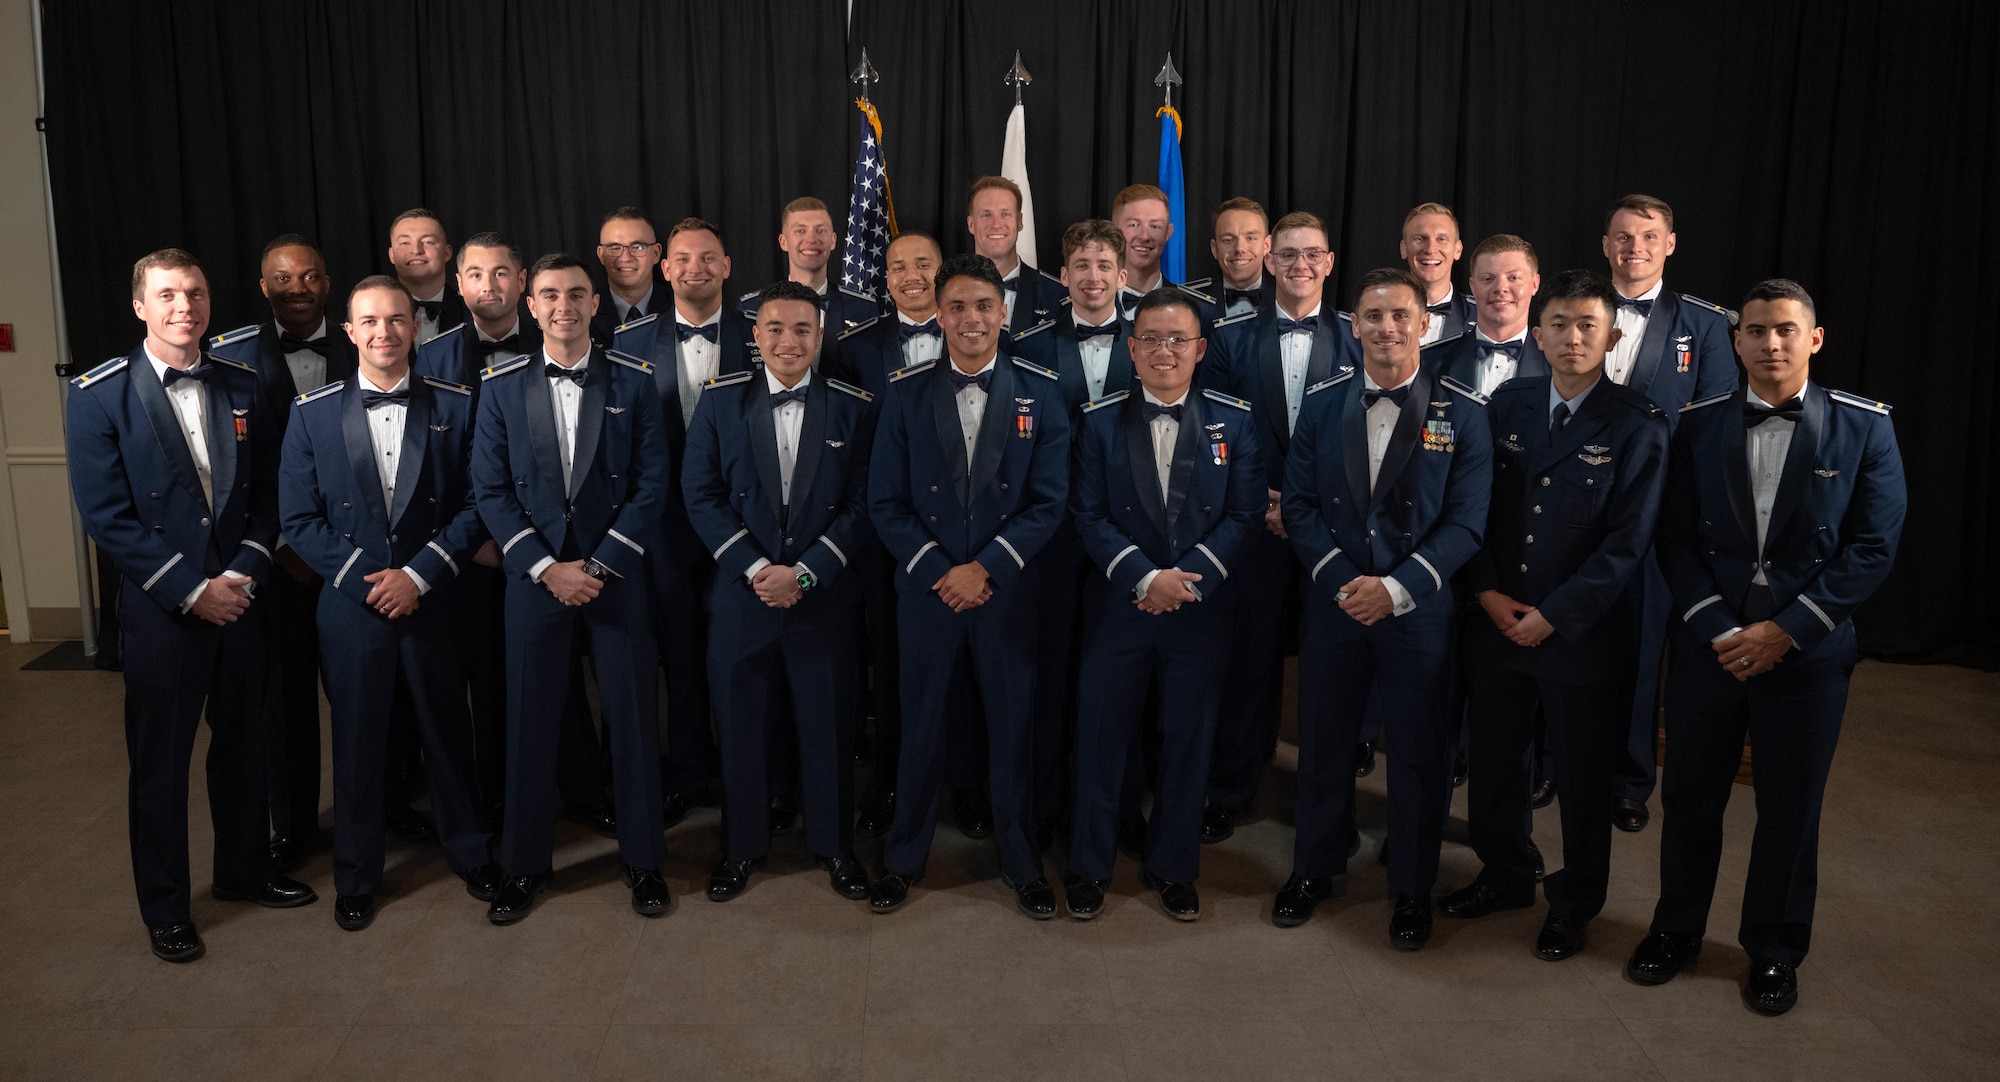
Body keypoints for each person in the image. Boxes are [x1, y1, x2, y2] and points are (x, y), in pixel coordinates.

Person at [1628, 278, 1904, 1015]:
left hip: (1805, 657)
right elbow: (1675, 540)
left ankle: (1776, 950)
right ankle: (1675, 930)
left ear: (1814, 339)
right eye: (1755, 331)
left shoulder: (1865, 427)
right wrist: (1720, 626)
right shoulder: (1696, 425)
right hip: (1709, 651)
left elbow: (1872, 548)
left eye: (1786, 330)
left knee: (1790, 808)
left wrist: (1787, 630)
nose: (1770, 343)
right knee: (1690, 798)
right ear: (1736, 341)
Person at [67, 248, 315, 962]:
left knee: (245, 748)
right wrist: (191, 589)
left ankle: (242, 871)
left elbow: (271, 494)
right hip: (164, 611)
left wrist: (241, 573)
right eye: (169, 295)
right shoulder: (97, 394)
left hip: (239, 599)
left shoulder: (240, 384)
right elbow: (107, 517)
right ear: (140, 306)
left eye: (197, 293)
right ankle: (167, 907)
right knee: (161, 766)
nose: (186, 307)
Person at [1439, 270, 1668, 961]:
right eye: (1560, 324)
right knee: (1497, 760)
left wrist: (1556, 616)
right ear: (1538, 334)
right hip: (1498, 619)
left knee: (1580, 772)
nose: (1572, 338)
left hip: (1582, 634)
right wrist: (1484, 591)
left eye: (1588, 326)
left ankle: (1575, 901)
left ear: (1612, 336)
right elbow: (1471, 506)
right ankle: (1506, 871)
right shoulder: (1506, 405)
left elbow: (1629, 543)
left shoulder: (1637, 424)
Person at [1273, 267, 1492, 947]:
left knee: (1420, 753)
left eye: (1400, 315)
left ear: (1425, 323)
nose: (1387, 328)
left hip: (1417, 609)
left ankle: (1412, 889)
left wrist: (1395, 588)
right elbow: (1300, 504)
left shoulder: (1467, 410)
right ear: (1354, 326)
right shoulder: (1323, 401)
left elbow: (1467, 524)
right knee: (1325, 742)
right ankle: (1313, 866)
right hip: (1336, 603)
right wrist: (1345, 579)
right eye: (1372, 317)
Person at [278, 275, 504, 930]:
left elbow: (475, 505)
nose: (384, 332)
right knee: (357, 742)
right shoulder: (310, 413)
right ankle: (356, 871)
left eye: (397, 320)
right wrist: (371, 579)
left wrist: (421, 575)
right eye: (370, 322)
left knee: (448, 733)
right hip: (353, 605)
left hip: (434, 598)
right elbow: (299, 518)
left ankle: (470, 851)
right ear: (350, 332)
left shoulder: (458, 406)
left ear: (415, 328)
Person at [865, 254, 1070, 919]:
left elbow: (1049, 501)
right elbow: (886, 503)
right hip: (927, 592)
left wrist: (985, 569)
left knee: (1012, 731)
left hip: (1004, 592)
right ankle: (903, 859)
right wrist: (941, 571)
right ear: (939, 314)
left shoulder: (1041, 390)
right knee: (919, 729)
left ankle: (1020, 863)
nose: (972, 319)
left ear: (1003, 311)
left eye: (984, 306)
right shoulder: (905, 391)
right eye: (957, 307)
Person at [473, 253, 672, 923]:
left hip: (612, 578)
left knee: (634, 719)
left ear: (597, 304)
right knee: (529, 722)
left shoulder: (635, 383)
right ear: (530, 305)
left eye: (577, 294)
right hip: (536, 581)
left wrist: (598, 564)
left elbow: (652, 485)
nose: (564, 305)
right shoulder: (499, 388)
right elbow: (491, 491)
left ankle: (645, 861)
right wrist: (543, 566)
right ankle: (523, 865)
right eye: (550, 294)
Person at [1063, 288, 1264, 922]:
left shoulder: (1237, 419)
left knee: (1188, 741)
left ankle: (1174, 867)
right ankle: (1088, 867)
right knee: (1101, 739)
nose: (1164, 351)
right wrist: (1145, 578)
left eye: (1178, 339)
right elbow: (1088, 516)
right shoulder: (1097, 421)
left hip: (1199, 611)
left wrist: (1186, 579)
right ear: (1131, 347)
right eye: (1150, 339)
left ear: (1201, 349)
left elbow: (1245, 515)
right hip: (1120, 607)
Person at [684, 280, 879, 902]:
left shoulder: (853, 405)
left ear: (820, 337)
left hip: (821, 596)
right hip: (744, 596)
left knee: (827, 725)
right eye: (775, 329)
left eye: (802, 330)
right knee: (740, 727)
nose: (788, 341)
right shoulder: (717, 405)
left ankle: (834, 847)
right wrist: (754, 568)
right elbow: (702, 496)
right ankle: (741, 848)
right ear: (755, 336)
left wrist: (805, 572)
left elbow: (862, 504)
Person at [1202, 210, 1359, 843]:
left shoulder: (1358, 338)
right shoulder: (1231, 336)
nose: (1299, 266)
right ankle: (1233, 789)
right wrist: (1258, 500)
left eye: (1311, 254)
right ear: (1269, 261)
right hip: (1251, 525)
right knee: (1248, 663)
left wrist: (1303, 503)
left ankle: (1327, 809)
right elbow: (1212, 425)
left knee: (1331, 673)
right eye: (1287, 255)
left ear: (1328, 262)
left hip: (1334, 529)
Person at [206, 234, 357, 872]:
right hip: (275, 563)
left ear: (329, 283)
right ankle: (292, 825)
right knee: (285, 702)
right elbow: (238, 474)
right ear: (263, 286)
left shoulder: (369, 338)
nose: (298, 288)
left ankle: (375, 812)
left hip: (359, 557)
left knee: (366, 695)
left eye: (311, 276)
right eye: (283, 279)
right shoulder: (230, 358)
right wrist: (285, 546)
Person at [1598, 194, 1738, 833]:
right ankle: (1548, 761)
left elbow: (1711, 430)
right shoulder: (1577, 310)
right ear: (1606, 245)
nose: (1635, 248)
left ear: (1670, 245)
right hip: (1574, 509)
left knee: (1644, 645)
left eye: (1648, 237)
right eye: (1624, 237)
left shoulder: (1706, 326)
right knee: (1562, 635)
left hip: (1657, 516)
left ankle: (1629, 779)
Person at [613, 217, 757, 825]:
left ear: (727, 266)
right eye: (682, 259)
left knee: (747, 654)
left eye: (708, 258)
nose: (694, 267)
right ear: (663, 269)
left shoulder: (764, 334)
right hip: (663, 527)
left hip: (750, 525)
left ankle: (752, 777)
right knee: (678, 654)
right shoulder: (628, 342)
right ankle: (690, 773)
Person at [1009, 219, 1136, 837]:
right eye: (1080, 265)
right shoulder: (1029, 344)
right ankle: (1046, 805)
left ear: (1122, 274)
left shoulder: (1154, 339)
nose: (1092, 277)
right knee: (1051, 671)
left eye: (1103, 266)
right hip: (1052, 537)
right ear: (1063, 276)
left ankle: (1121, 807)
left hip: (1131, 534)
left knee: (1124, 678)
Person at [828, 231, 945, 835]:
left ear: (941, 269)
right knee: (892, 660)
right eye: (898, 266)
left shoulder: (976, 334)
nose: (911, 275)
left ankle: (965, 782)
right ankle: (893, 782)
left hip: (963, 533)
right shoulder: (855, 348)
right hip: (882, 532)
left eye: (923, 263)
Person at [1423, 234, 1549, 396]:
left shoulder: (1555, 363)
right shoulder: (1430, 362)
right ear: (1473, 287)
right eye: (1488, 278)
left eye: (1514, 278)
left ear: (1534, 284)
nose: (1500, 288)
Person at [740, 196, 882, 333]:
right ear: (783, 242)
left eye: (820, 230)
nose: (811, 239)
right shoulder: (751, 309)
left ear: (833, 241)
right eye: (800, 231)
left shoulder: (864, 310)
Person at [420, 231, 540, 390]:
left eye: (499, 274)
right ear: (460, 284)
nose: (488, 287)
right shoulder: (434, 356)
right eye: (476, 275)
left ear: (521, 280)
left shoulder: (549, 345)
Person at [965, 176, 1066, 335]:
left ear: (1019, 221)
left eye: (1005, 214)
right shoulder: (947, 292)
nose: (996, 224)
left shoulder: (1058, 295)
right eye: (986, 215)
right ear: (971, 224)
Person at [1112, 184, 1216, 321]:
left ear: (1168, 233)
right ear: (1114, 230)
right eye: (1134, 225)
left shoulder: (1197, 310)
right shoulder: (1085, 303)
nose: (1144, 236)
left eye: (1155, 226)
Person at [1400, 203, 1477, 345]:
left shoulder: (1481, 316)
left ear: (1458, 250)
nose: (1430, 249)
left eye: (1441, 239)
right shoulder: (1377, 314)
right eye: (1420, 239)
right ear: (1404, 248)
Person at [591, 206, 668, 346]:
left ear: (656, 253)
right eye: (615, 248)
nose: (626, 258)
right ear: (601, 255)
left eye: (638, 247)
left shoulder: (680, 308)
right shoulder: (585, 312)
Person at [387, 208, 466, 343]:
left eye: (428, 242)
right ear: (392, 255)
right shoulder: (368, 316)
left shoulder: (472, 312)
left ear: (447, 253)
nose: (416, 250)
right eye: (405, 243)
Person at [1205, 197, 1274, 320]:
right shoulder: (1192, 304)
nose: (1239, 248)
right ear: (1214, 248)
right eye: (1228, 240)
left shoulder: (1289, 299)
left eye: (1250, 238)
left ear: (1266, 245)